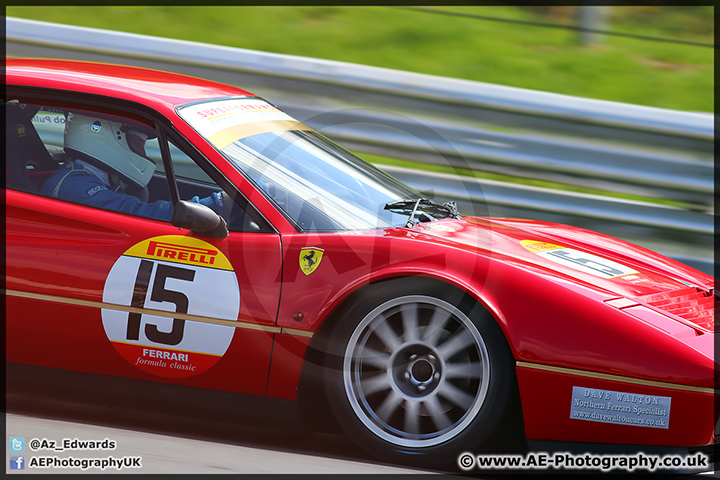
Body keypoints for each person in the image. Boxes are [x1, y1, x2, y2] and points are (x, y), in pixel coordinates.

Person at [41, 112, 227, 221]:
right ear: (107, 137)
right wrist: (218, 203)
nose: (143, 155)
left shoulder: (92, 178)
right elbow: (141, 214)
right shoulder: (74, 187)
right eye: (138, 144)